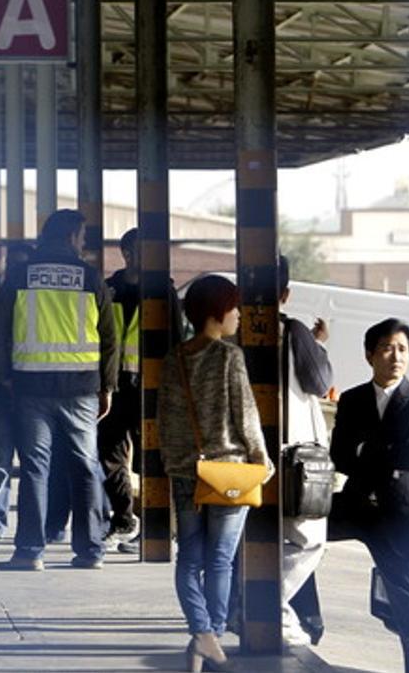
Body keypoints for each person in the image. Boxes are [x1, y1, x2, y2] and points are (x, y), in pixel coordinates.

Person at [0, 209, 118, 571]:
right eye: (82, 236)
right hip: (81, 388)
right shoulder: (90, 277)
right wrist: (108, 385)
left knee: (34, 468)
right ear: (71, 236)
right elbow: (110, 338)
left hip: (31, 386)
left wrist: (3, 376)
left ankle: (30, 552)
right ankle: (90, 550)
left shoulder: (19, 275)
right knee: (85, 466)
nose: (83, 243)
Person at [157, 274, 274, 672]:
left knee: (189, 559)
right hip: (228, 472)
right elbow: (246, 415)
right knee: (221, 560)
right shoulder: (229, 357)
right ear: (219, 312)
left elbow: (164, 417)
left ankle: (199, 637)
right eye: (235, 307)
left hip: (187, 471)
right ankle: (211, 635)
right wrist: (263, 461)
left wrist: (177, 462)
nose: (239, 315)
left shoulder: (174, 358)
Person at [330, 318, 409, 673]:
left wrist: (366, 449)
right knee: (293, 537)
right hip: (356, 506)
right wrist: (380, 453)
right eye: (388, 348)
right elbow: (340, 456)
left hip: (403, 515)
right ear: (369, 354)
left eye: (403, 349)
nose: (396, 357)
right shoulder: (351, 400)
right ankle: (306, 622)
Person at [97, 228, 184, 552]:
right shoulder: (109, 289)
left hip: (151, 388)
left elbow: (175, 340)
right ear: (126, 254)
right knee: (110, 457)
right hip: (115, 387)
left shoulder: (164, 291)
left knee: (151, 459)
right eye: (136, 251)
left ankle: (157, 527)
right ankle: (123, 518)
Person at [277, 255, 333, 646]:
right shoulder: (293, 330)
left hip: (240, 457)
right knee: (307, 539)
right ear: (285, 293)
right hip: (294, 455)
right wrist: (317, 345)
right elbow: (318, 380)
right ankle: (272, 610)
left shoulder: (228, 330)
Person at [0, 241, 33, 542]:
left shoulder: (38, 302)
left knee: (33, 461)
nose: (14, 271)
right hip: (0, 389)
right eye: (11, 265)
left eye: (22, 265)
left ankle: (34, 521)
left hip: (32, 391)